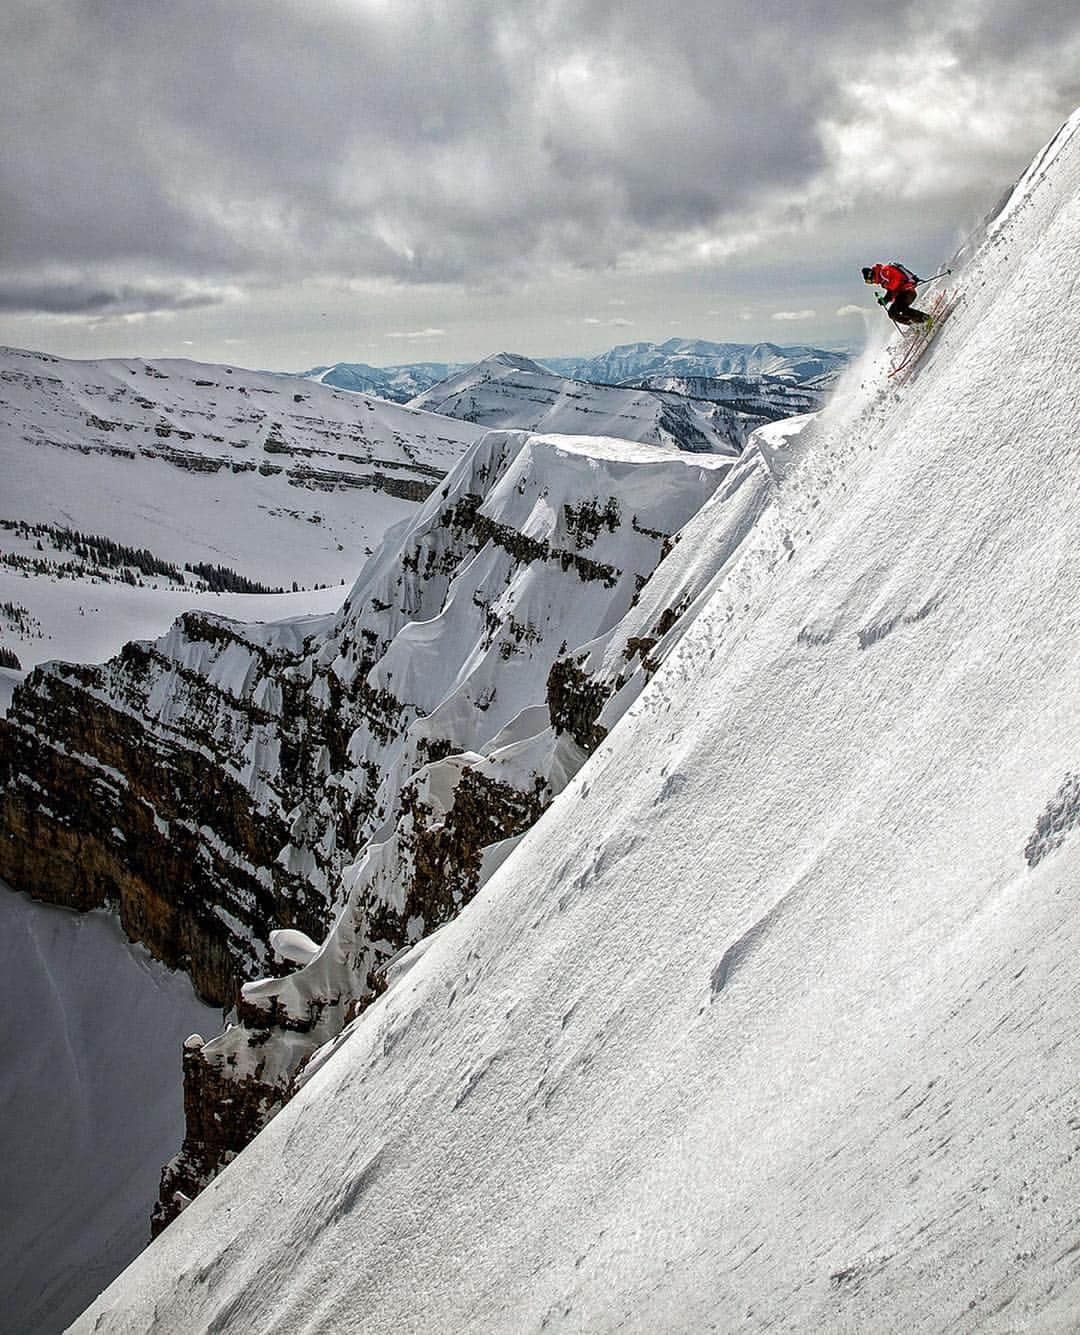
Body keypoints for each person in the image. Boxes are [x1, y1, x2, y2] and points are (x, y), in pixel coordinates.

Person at [862, 263, 930, 325]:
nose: (871, 283)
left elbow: (895, 280)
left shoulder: (884, 271)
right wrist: (886, 300)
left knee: (901, 308)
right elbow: (894, 292)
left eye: (869, 281)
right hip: (902, 294)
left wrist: (887, 298)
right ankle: (915, 325)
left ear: (870, 275)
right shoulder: (882, 281)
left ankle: (926, 319)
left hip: (907, 291)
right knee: (892, 313)